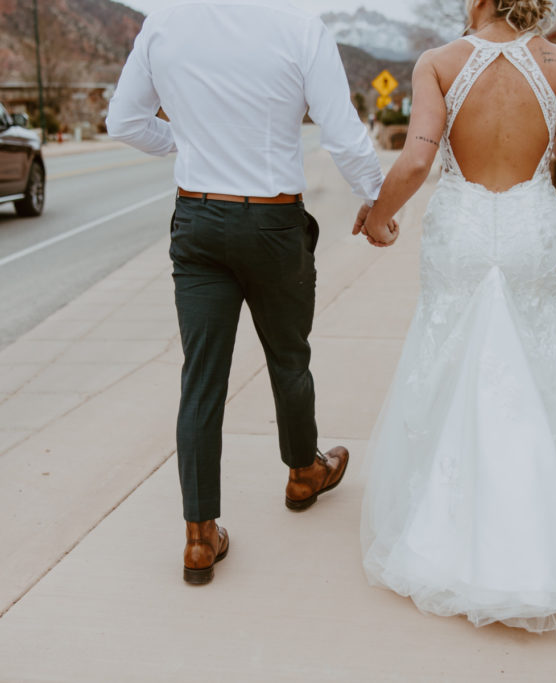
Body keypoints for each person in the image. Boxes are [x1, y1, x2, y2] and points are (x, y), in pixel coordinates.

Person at [106, 0, 397, 586]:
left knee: (202, 378)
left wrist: (186, 141)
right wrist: (378, 203)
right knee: (289, 358)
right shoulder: (299, 28)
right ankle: (303, 473)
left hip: (199, 222)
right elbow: (342, 132)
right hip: (272, 226)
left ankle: (198, 535)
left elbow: (124, 122)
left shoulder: (164, 25)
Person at [357, 0, 556, 634]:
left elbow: (415, 161)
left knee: (447, 366)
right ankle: (533, 542)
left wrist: (380, 214)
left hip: (462, 231)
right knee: (534, 372)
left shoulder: (439, 62)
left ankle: (445, 534)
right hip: (528, 229)